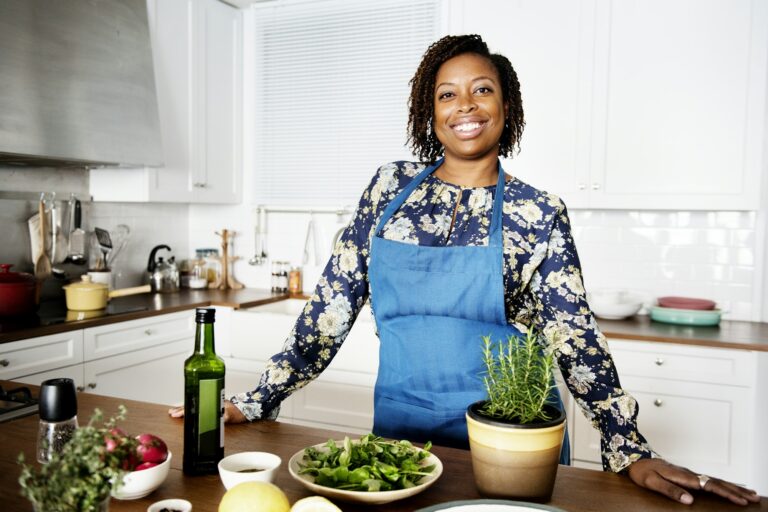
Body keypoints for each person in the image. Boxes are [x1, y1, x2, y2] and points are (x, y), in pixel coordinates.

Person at [170, 34, 760, 506]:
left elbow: (575, 339)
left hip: (513, 444)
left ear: (508, 106)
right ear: (430, 112)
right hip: (400, 441)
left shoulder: (536, 211)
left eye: (482, 89)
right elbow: (328, 312)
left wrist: (629, 448)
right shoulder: (387, 190)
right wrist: (253, 399)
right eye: (447, 94)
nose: (466, 106)